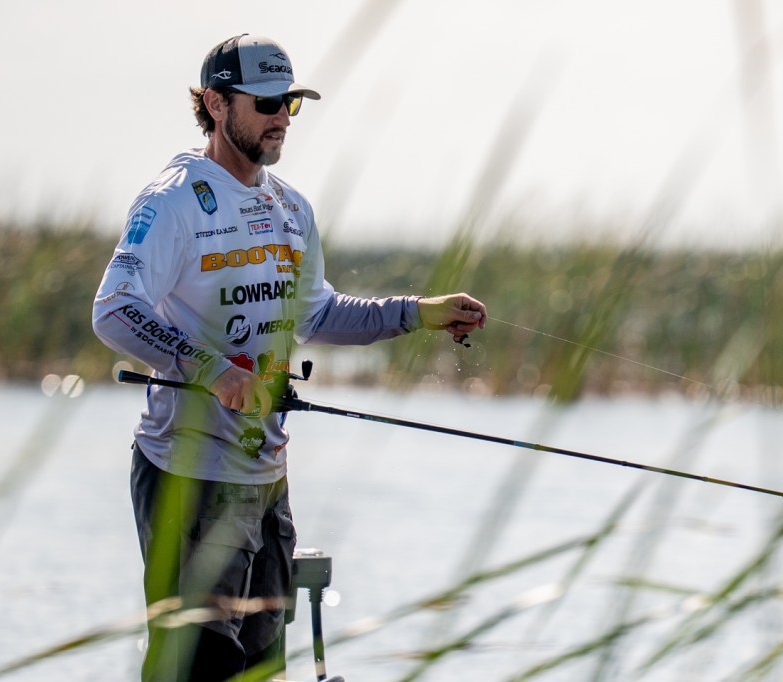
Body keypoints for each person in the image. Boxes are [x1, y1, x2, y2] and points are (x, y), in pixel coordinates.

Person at [92, 34, 487, 682]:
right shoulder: (174, 200)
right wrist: (213, 370)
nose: (282, 117)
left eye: (290, 104)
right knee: (198, 667)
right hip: (186, 476)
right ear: (216, 104)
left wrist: (417, 312)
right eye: (267, 102)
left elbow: (318, 315)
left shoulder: (291, 208)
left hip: (265, 477)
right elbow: (114, 308)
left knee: (262, 670)